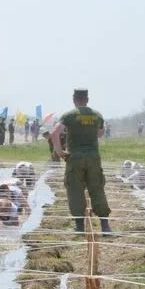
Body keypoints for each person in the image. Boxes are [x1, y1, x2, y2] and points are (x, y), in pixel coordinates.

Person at [50, 88, 111, 234]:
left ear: (74, 100)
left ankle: (79, 227)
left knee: (75, 190)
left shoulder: (69, 116)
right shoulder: (97, 115)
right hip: (93, 157)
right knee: (97, 189)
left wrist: (59, 151)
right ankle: (105, 226)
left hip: (75, 157)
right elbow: (100, 133)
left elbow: (54, 133)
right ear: (87, 100)